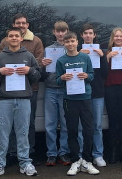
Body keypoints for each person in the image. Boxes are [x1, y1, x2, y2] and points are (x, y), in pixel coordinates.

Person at [0, 27, 40, 178]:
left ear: (21, 38)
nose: (14, 38)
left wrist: (30, 71)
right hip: (4, 101)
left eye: (17, 36)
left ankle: (25, 162)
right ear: (7, 39)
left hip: (23, 100)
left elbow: (37, 76)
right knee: (3, 133)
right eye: (11, 36)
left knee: (23, 132)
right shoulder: (0, 57)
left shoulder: (28, 56)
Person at [0, 13, 44, 164]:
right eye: (18, 23)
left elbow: (40, 60)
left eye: (24, 23)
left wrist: (27, 69)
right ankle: (12, 152)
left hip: (30, 88)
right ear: (14, 25)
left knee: (28, 123)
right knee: (10, 123)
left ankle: (29, 152)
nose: (21, 25)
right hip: (8, 88)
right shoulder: (5, 41)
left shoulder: (36, 41)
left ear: (27, 25)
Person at [56, 32, 100, 176]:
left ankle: (87, 161)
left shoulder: (85, 57)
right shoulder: (61, 60)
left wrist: (87, 76)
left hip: (85, 98)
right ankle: (75, 160)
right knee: (72, 131)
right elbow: (57, 80)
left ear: (77, 42)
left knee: (88, 130)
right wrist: (62, 77)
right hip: (70, 100)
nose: (70, 44)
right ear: (64, 43)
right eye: (67, 41)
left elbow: (92, 75)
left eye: (72, 41)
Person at [41, 21, 71, 166]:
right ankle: (51, 154)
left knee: (65, 124)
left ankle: (64, 153)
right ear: (54, 32)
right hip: (51, 89)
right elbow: (41, 73)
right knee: (50, 123)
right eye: (58, 31)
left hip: (66, 90)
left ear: (67, 31)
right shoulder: (48, 49)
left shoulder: (72, 48)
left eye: (63, 31)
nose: (61, 34)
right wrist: (43, 66)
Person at [79, 24, 109, 167]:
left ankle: (98, 155)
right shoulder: (77, 51)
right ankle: (80, 154)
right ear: (81, 36)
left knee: (97, 125)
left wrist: (102, 57)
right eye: (85, 33)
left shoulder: (100, 52)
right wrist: (79, 54)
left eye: (91, 33)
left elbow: (105, 73)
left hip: (97, 93)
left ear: (94, 35)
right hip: (80, 93)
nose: (88, 36)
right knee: (80, 126)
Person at [104, 27, 122, 164]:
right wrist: (108, 58)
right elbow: (102, 72)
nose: (118, 38)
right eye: (116, 36)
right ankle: (113, 151)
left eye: (121, 36)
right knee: (112, 120)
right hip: (110, 88)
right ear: (113, 38)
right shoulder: (107, 53)